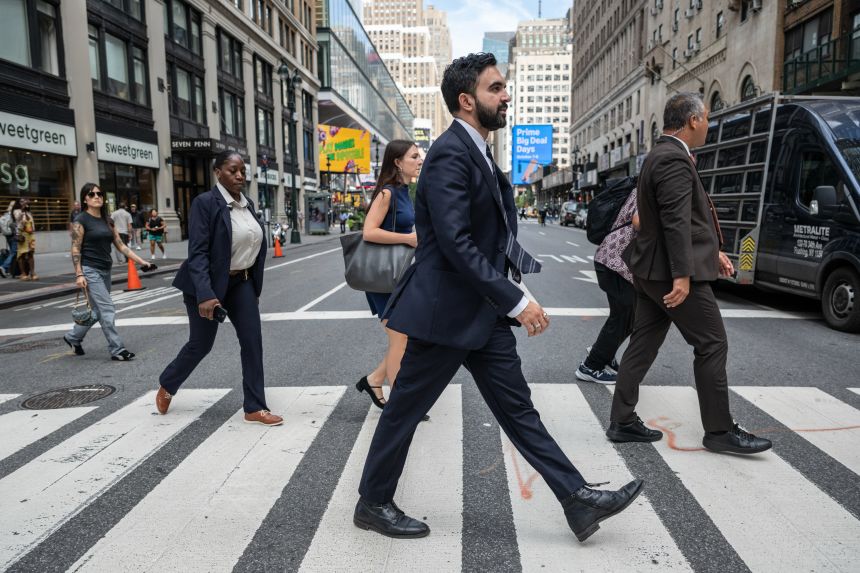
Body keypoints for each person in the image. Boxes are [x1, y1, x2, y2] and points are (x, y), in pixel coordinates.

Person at [353, 53, 643, 543]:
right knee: (404, 409)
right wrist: (516, 301)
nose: (505, 95)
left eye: (503, 87)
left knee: (518, 409)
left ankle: (575, 499)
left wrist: (516, 293)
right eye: (495, 88)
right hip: (446, 312)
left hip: (480, 314)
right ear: (467, 101)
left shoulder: (480, 152)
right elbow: (454, 241)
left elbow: (492, 240)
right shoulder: (450, 153)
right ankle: (373, 503)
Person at [605, 93, 772, 455]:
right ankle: (719, 431)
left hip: (651, 271)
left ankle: (621, 420)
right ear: (693, 120)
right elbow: (675, 221)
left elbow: (687, 219)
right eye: (707, 119)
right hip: (670, 274)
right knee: (712, 343)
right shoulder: (673, 159)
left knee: (643, 342)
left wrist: (714, 253)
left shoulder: (661, 154)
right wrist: (683, 276)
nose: (708, 125)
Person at [156, 151, 282, 427]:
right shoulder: (206, 203)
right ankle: (168, 383)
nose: (239, 175)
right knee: (201, 344)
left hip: (242, 283)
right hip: (208, 286)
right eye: (232, 170)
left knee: (252, 341)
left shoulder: (247, 204)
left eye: (242, 171)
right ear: (218, 172)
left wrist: (254, 288)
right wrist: (205, 295)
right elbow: (198, 253)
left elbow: (254, 246)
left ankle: (255, 407)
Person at [355, 140, 421, 411]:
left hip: (399, 276)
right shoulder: (388, 193)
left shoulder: (405, 191)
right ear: (397, 162)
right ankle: (401, 405)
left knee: (405, 337)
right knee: (401, 338)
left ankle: (374, 380)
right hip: (384, 280)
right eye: (414, 156)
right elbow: (368, 232)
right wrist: (408, 239)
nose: (419, 160)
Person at [63, 184, 155, 360]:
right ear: (85, 199)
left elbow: (121, 246)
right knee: (107, 309)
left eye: (99, 193)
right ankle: (117, 349)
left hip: (106, 269)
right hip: (90, 270)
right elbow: (75, 249)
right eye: (92, 194)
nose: (97, 196)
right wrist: (79, 274)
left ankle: (73, 337)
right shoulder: (80, 221)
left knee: (97, 311)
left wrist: (142, 261)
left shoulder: (108, 221)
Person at [576, 187, 639, 384]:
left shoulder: (642, 187)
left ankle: (605, 353)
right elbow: (639, 221)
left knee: (626, 315)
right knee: (624, 315)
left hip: (614, 261)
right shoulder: (648, 189)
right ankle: (591, 366)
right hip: (615, 262)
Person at [14, 198, 37, 281]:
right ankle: (23, 273)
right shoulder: (17, 211)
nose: (24, 203)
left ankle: (32, 273)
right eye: (22, 201)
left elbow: (31, 224)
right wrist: (22, 209)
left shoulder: (29, 212)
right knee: (22, 254)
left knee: (31, 253)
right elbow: (17, 220)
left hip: (30, 236)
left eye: (25, 201)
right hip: (22, 235)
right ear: (18, 203)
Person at [0, 200, 17, 278]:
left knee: (12, 252)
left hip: (7, 235)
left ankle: (9, 270)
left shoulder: (5, 214)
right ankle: (4, 267)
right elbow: (15, 226)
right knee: (14, 252)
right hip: (14, 235)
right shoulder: (14, 214)